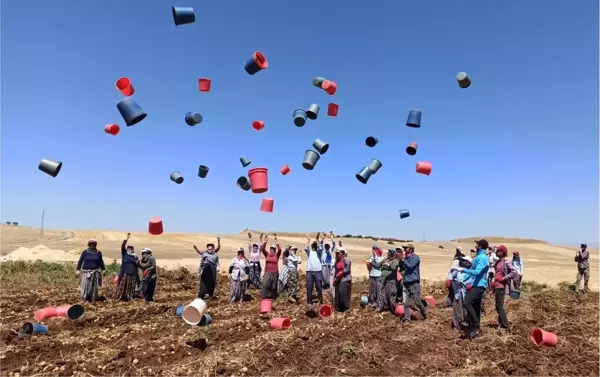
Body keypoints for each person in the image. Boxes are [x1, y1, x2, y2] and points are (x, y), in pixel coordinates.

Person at [453, 239, 490, 339]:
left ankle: (475, 326)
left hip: (480, 285)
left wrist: (463, 269)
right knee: (476, 307)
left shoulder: (482, 258)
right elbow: (472, 271)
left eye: (477, 244)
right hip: (475, 284)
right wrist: (464, 280)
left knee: (467, 302)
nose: (475, 245)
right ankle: (475, 329)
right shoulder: (479, 257)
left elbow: (477, 272)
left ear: (480, 246)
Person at [491, 245, 518, 330]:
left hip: (501, 286)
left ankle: (505, 326)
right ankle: (501, 324)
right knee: (498, 306)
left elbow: (514, 272)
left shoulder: (506, 262)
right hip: (497, 286)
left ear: (502, 252)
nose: (496, 251)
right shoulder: (497, 262)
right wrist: (493, 281)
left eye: (498, 250)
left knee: (499, 306)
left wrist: (503, 278)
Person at [400, 244, 427, 322]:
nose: (404, 249)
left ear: (411, 249)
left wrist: (402, 260)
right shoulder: (405, 258)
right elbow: (403, 269)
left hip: (414, 282)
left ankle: (424, 314)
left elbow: (410, 266)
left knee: (417, 301)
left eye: (406, 248)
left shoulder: (415, 257)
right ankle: (407, 319)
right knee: (405, 302)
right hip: (406, 282)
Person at [449, 254, 473, 331]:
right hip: (458, 294)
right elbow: (451, 277)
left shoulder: (471, 272)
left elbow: (473, 281)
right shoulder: (458, 270)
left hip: (467, 294)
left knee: (466, 310)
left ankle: (467, 325)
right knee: (457, 309)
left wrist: (470, 285)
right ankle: (457, 326)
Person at [115, 234, 140, 301]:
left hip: (132, 275)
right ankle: (120, 297)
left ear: (133, 249)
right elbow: (123, 246)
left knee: (131, 287)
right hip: (124, 274)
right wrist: (126, 239)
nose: (130, 249)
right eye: (128, 248)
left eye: (131, 248)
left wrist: (138, 263)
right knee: (122, 287)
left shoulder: (135, 257)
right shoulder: (125, 254)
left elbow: (137, 266)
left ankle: (129, 297)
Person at [304, 233, 324, 306]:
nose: (314, 245)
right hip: (309, 272)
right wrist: (309, 240)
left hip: (318, 271)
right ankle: (309, 302)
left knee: (319, 287)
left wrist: (317, 240)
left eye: (315, 244)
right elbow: (305, 248)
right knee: (309, 287)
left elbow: (321, 248)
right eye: (314, 244)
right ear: (312, 246)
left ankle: (320, 301)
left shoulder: (319, 252)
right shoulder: (310, 252)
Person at [377, 249, 399, 314]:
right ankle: (383, 308)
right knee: (384, 294)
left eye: (389, 253)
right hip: (384, 280)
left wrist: (388, 265)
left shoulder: (395, 261)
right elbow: (378, 265)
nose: (388, 253)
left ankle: (393, 310)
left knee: (391, 295)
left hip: (391, 281)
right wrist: (370, 262)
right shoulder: (385, 260)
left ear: (393, 254)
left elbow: (394, 268)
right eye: (388, 252)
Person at [260, 235, 282, 299]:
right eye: (271, 248)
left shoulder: (276, 255)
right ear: (270, 249)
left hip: (275, 272)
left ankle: (272, 298)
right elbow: (262, 249)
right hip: (268, 272)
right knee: (265, 285)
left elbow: (280, 250)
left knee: (273, 286)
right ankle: (264, 297)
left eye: (273, 248)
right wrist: (265, 241)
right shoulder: (267, 254)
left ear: (275, 249)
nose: (272, 249)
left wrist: (276, 242)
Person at [333, 248, 352, 312]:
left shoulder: (346, 260)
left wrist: (341, 272)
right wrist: (335, 279)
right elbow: (336, 271)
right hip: (338, 279)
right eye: (336, 253)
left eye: (339, 253)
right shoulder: (336, 261)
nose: (337, 254)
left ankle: (345, 307)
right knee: (337, 293)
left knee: (343, 293)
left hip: (345, 278)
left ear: (342, 253)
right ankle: (338, 307)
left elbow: (347, 268)